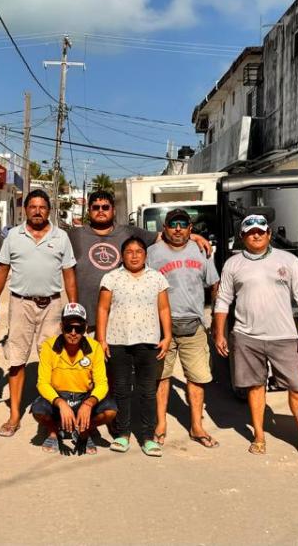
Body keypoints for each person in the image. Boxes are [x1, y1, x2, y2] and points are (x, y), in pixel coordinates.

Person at [213, 214, 298, 463]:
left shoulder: (288, 260)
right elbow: (223, 300)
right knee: (255, 386)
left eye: (261, 231)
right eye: (250, 231)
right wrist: (219, 332)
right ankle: (259, 436)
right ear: (242, 237)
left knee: (297, 388)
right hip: (246, 336)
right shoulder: (233, 264)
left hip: (284, 337)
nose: (256, 234)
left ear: (269, 234)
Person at [0, 188, 77, 438]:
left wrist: (73, 307)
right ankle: (14, 414)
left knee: (52, 360)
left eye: (42, 207)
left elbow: (69, 273)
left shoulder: (61, 237)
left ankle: (51, 415)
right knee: (17, 360)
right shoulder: (13, 237)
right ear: (25, 210)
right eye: (32, 207)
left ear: (49, 210)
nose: (37, 211)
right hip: (21, 304)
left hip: (52, 305)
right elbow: (2, 270)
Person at [70, 190, 210, 333]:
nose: (101, 211)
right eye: (96, 207)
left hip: (122, 320)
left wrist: (192, 236)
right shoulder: (74, 235)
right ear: (89, 210)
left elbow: (163, 236)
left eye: (105, 207)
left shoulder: (128, 232)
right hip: (87, 320)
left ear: (114, 210)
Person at [148, 208, 220, 448]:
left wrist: (216, 321)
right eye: (172, 224)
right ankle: (160, 424)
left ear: (191, 229)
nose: (177, 229)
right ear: (165, 229)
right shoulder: (152, 253)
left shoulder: (201, 251)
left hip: (194, 326)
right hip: (160, 328)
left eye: (182, 224)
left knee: (197, 377)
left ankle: (196, 426)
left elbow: (214, 284)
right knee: (162, 377)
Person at [95, 236, 172, 457]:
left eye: (139, 251)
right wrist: (101, 339)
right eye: (129, 251)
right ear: (122, 255)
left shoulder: (157, 278)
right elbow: (102, 309)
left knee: (147, 391)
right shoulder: (111, 278)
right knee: (121, 390)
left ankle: (147, 436)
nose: (135, 255)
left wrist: (167, 336)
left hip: (149, 342)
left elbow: (164, 309)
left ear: (146, 255)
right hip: (118, 341)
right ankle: (122, 434)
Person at [32, 303, 117, 455]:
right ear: (61, 326)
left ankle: (84, 430)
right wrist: (60, 403)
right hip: (58, 396)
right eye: (68, 327)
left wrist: (89, 403)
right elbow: (42, 383)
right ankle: (53, 431)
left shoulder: (95, 347)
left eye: (78, 328)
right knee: (38, 410)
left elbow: (102, 383)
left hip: (83, 397)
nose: (73, 333)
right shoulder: (48, 347)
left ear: (85, 329)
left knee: (110, 411)